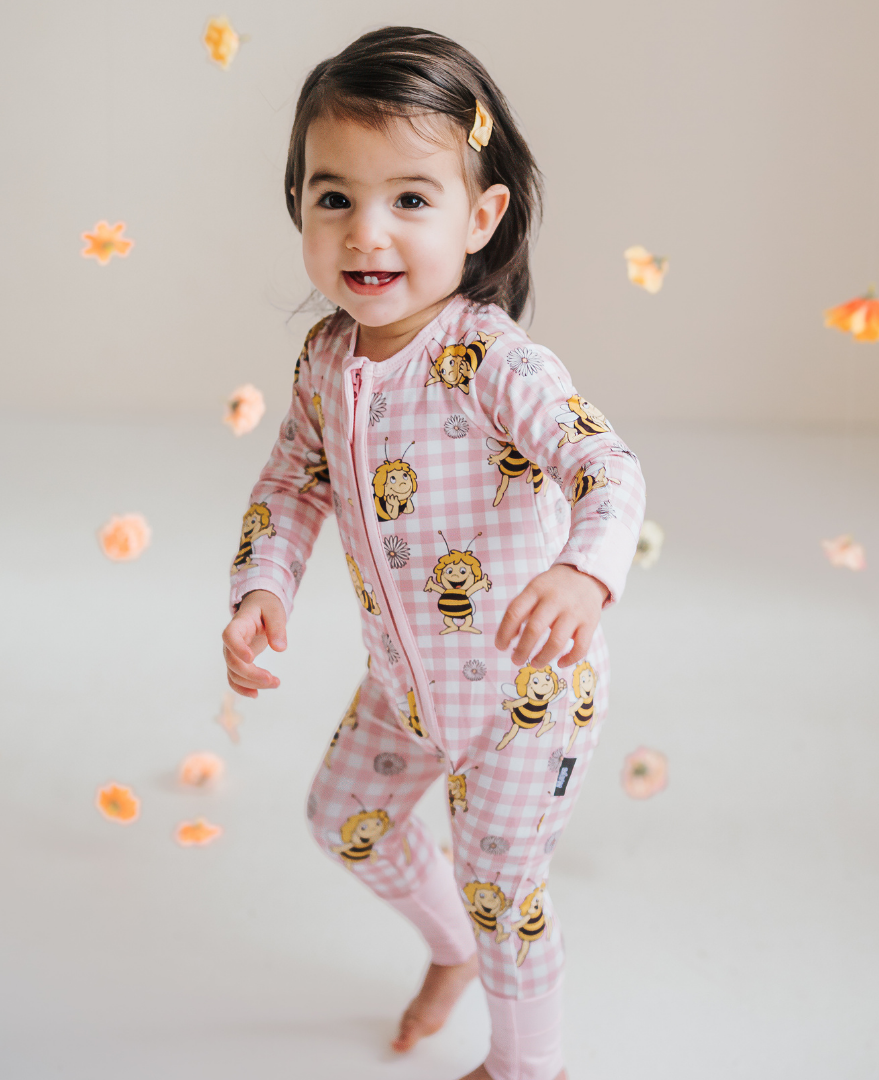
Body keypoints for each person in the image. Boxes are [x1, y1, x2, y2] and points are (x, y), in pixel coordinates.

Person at [220, 26, 646, 1080]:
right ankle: (453, 949)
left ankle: (528, 1065)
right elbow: (293, 482)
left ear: (480, 217)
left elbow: (607, 468)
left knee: (505, 890)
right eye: (334, 197)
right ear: (300, 207)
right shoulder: (325, 359)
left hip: (523, 696)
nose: (367, 232)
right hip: (404, 686)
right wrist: (264, 586)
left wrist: (581, 572)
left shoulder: (492, 362)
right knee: (343, 820)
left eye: (411, 198)